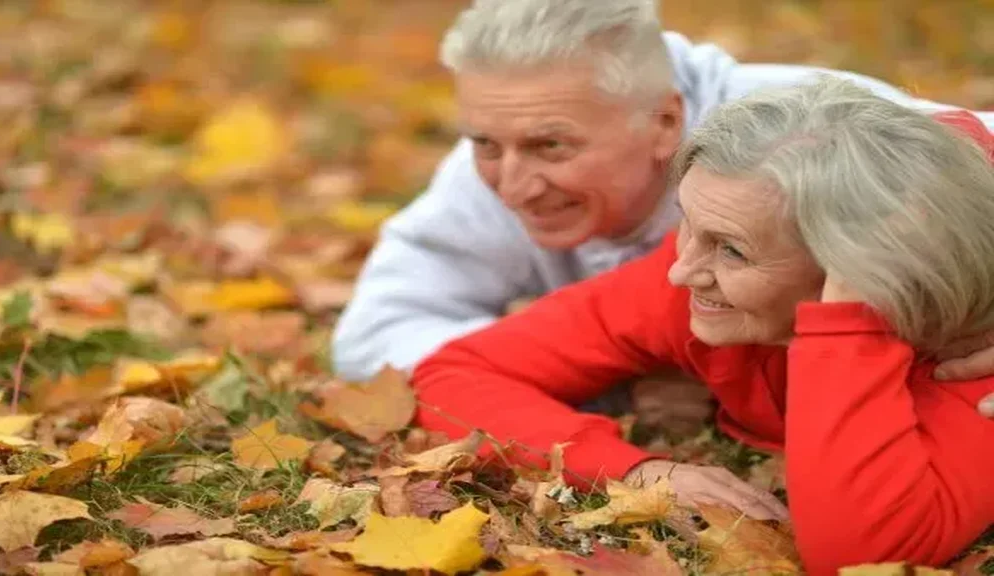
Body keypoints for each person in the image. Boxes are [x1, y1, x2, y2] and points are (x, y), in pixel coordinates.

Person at [411, 78, 994, 574]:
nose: (681, 273)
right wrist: (637, 470)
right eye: (688, 224)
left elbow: (861, 554)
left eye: (733, 251)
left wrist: (847, 326)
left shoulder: (970, 344)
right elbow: (456, 374)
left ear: (863, 267)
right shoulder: (699, 269)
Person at [332, 0, 994, 420]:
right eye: (482, 143)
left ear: (664, 121)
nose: (510, 187)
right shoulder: (499, 155)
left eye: (551, 146)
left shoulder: (806, 122)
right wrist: (607, 385)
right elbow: (375, 339)